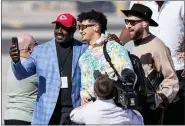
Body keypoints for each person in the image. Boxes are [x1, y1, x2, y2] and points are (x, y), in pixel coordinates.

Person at [9, 13, 88, 125]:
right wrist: (16, 61)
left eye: (64, 28)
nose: (59, 31)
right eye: (57, 27)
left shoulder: (83, 49)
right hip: (47, 114)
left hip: (74, 112)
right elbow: (21, 74)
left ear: (72, 31)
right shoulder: (40, 51)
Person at [120, 1, 185, 124]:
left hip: (154, 111)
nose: (128, 26)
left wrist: (158, 99)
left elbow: (172, 81)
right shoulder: (136, 45)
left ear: (145, 23)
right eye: (127, 22)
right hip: (139, 108)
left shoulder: (157, 46)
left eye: (133, 22)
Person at [77, 9, 134, 105]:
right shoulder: (83, 57)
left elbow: (128, 76)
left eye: (83, 27)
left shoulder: (113, 47)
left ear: (96, 27)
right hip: (93, 110)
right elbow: (84, 87)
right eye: (79, 27)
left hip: (115, 108)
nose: (80, 31)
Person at [70, 72, 144, 125]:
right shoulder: (124, 112)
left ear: (95, 93)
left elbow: (73, 115)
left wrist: (91, 103)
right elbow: (140, 121)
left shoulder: (88, 111)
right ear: (114, 91)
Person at [4, 34, 38, 125]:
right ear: (29, 49)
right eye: (36, 44)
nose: (38, 48)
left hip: (9, 116)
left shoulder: (13, 67)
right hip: (26, 118)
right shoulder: (31, 69)